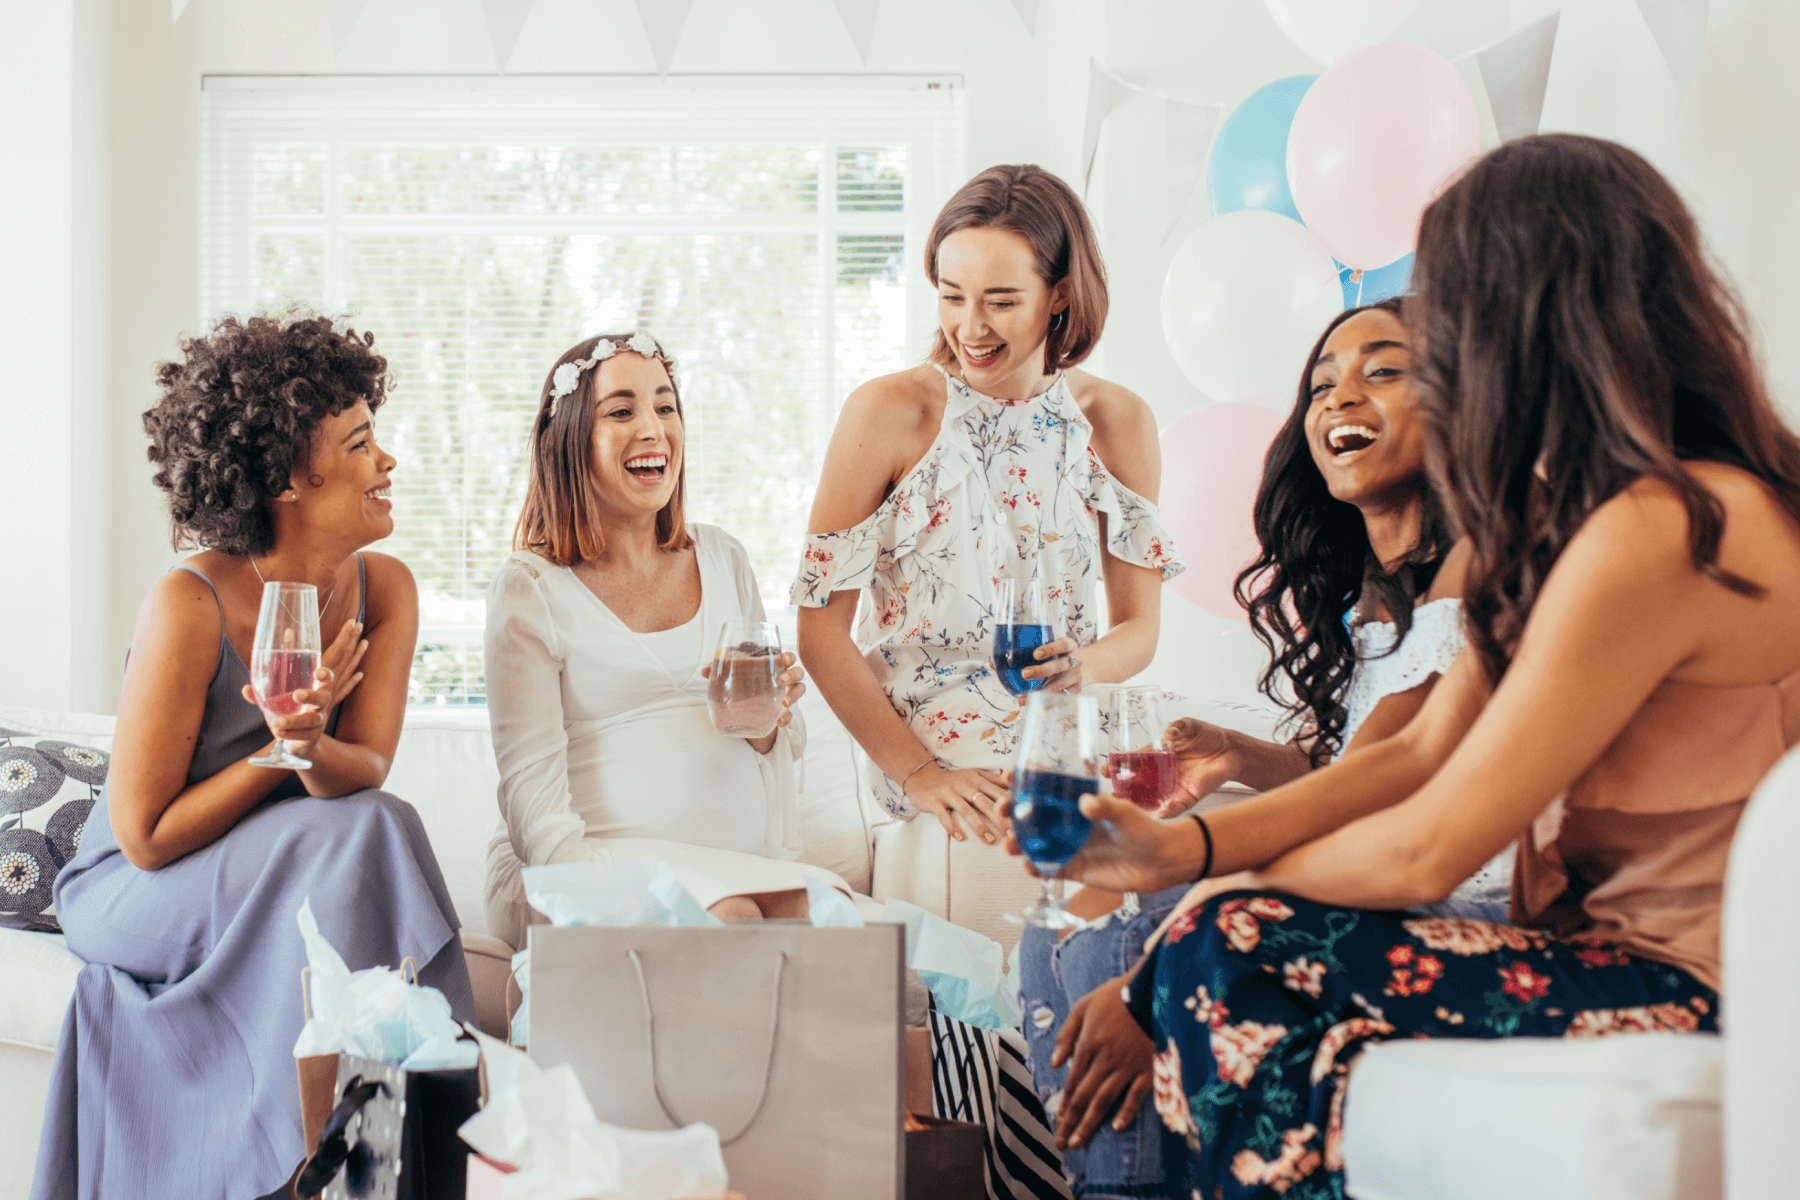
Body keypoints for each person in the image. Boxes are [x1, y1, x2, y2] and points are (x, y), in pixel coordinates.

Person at [1010, 133, 1800, 1199]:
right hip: (1604, 954)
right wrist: (1172, 850)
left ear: (1518, 318)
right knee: (1207, 934)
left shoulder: (1664, 525)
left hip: (1691, 987)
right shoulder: (1585, 525)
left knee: (1224, 942)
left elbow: (1431, 845)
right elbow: (1418, 753)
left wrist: (1197, 892)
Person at [1018, 299, 1502, 1198]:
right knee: (1057, 927)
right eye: (1322, 383)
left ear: (1462, 404)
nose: (1339, 397)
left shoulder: (1476, 568)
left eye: (1382, 371)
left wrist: (1185, 863)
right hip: (1381, 859)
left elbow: (1388, 782)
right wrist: (1239, 753)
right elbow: (1361, 765)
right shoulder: (1375, 600)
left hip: (1450, 888)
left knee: (1125, 935)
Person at [33, 313, 473, 1200]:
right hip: (138, 885)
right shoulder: (190, 603)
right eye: (360, 443)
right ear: (289, 479)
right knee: (351, 837)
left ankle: (379, 1142)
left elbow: (367, 770)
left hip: (293, 866)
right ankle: (371, 1151)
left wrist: (311, 748)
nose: (387, 462)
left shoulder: (384, 590)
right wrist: (279, 749)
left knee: (370, 823)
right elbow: (148, 836)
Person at [793, 163, 1183, 856]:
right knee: (1077, 816)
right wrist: (918, 775)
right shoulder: (888, 413)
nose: (969, 328)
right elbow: (821, 634)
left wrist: (1082, 666)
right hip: (925, 723)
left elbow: (1139, 630)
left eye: (1001, 301)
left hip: (1061, 708)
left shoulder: (1117, 421)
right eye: (951, 297)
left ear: (1059, 295)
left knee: (1198, 774)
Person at [483, 331, 848, 949]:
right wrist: (592, 903)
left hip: (724, 869)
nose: (652, 428)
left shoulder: (723, 556)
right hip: (576, 868)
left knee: (839, 921)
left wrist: (768, 721)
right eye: (621, 411)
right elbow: (534, 809)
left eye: (665, 406)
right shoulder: (530, 590)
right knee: (725, 921)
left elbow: (766, 748)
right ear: (571, 440)